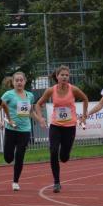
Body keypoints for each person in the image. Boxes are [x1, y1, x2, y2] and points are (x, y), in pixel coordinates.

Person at [35, 65, 89, 193]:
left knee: (64, 157)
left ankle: (65, 155)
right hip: (56, 126)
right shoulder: (50, 90)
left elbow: (85, 99)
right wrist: (41, 118)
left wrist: (84, 117)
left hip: (70, 127)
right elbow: (38, 104)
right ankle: (56, 182)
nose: (64, 77)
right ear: (57, 76)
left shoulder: (73, 89)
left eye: (66, 75)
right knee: (53, 152)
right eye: (62, 75)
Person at [1, 72, 44, 191]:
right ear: (13, 82)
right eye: (17, 80)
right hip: (11, 129)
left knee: (20, 156)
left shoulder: (30, 95)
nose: (19, 82)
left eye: (21, 80)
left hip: (25, 130)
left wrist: (39, 120)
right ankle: (10, 157)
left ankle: (15, 181)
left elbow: (30, 112)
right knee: (8, 158)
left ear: (25, 81)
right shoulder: (8, 95)